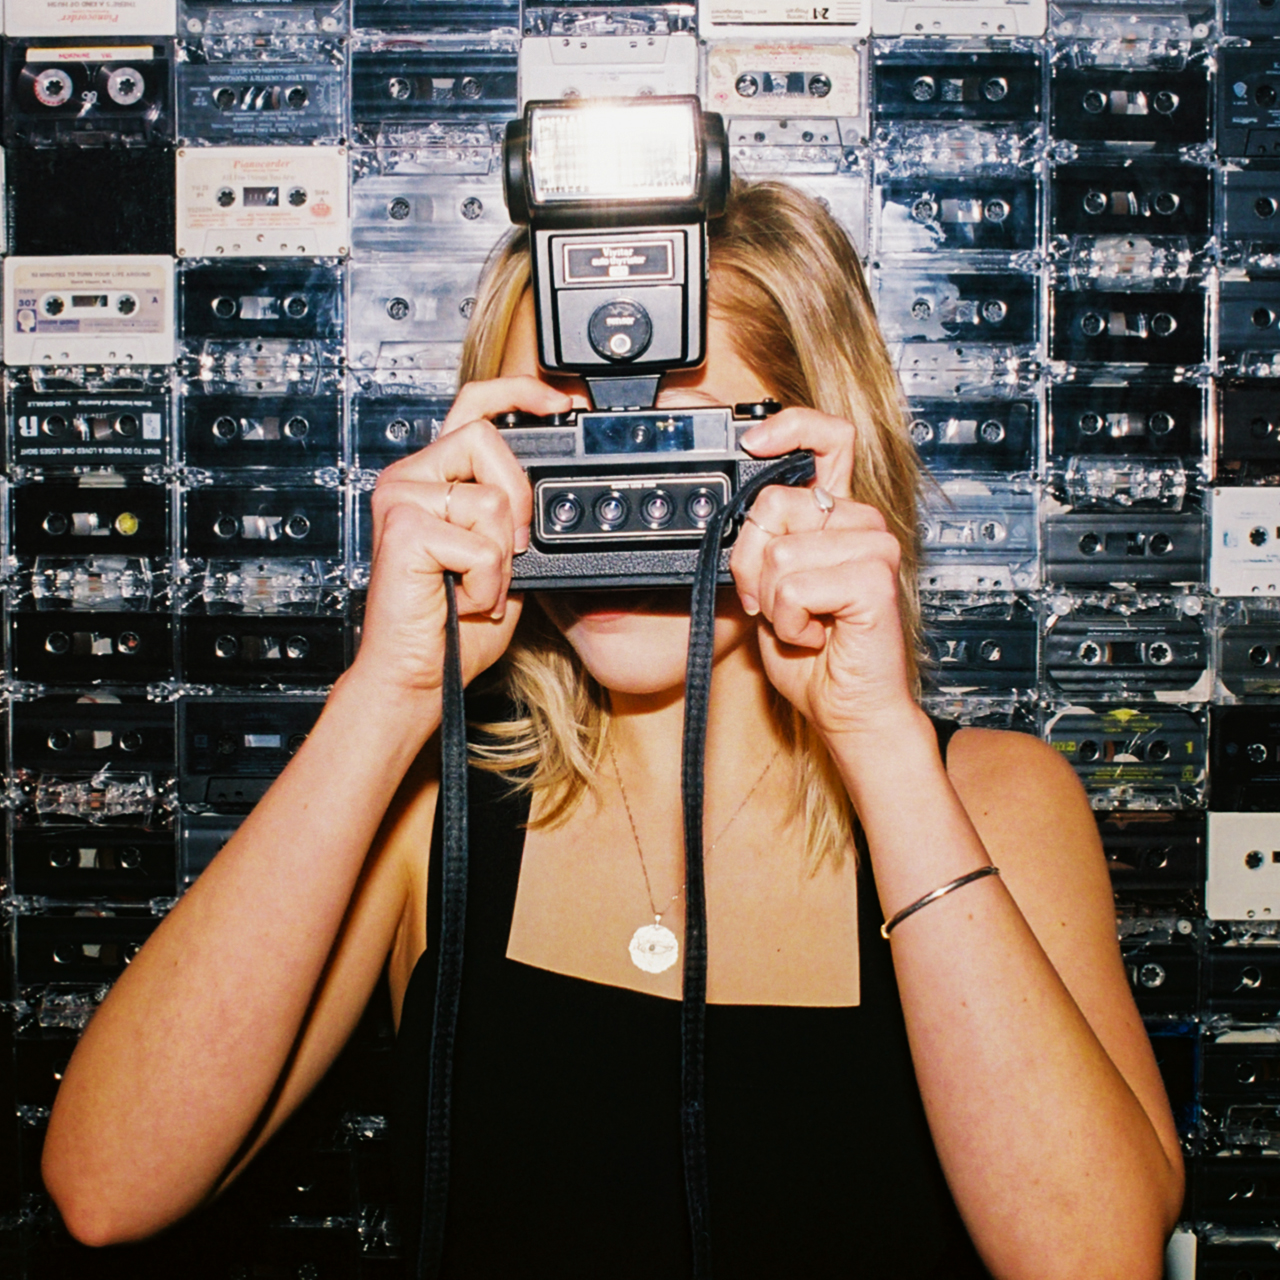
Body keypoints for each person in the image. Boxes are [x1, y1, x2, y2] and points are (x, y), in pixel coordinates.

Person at [42, 180, 1183, 1278]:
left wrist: (875, 737)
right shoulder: (425, 810)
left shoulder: (989, 798)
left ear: (813, 449)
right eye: (557, 439)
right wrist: (387, 694)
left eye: (674, 447)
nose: (613, 505)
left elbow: (1090, 1255)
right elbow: (106, 1188)